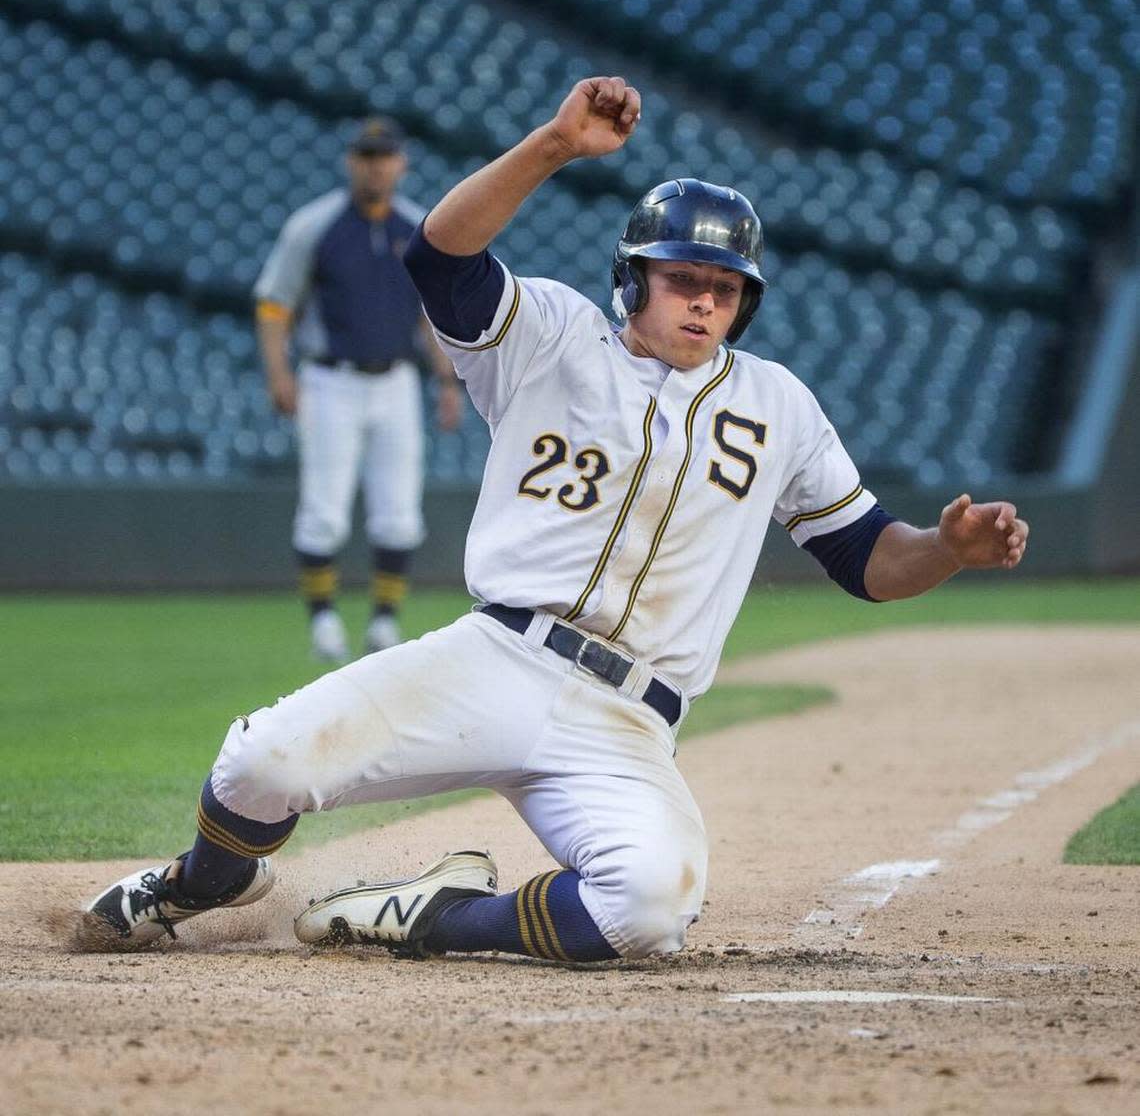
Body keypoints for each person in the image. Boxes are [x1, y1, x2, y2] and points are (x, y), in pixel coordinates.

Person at [82, 77, 1029, 963]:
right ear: (633, 279)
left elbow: (868, 560)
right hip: (494, 661)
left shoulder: (780, 406)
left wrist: (946, 549)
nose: (704, 297)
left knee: (652, 907)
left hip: (626, 722)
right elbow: (439, 254)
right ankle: (197, 886)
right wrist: (552, 146)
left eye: (726, 286)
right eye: (682, 275)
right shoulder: (549, 334)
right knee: (262, 761)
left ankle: (431, 915)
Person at [254, 116, 462, 662]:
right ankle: (323, 620)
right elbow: (275, 303)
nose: (376, 164)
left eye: (385, 155)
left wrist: (446, 381)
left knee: (398, 510)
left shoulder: (419, 227)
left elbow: (430, 316)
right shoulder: (315, 225)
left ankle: (384, 623)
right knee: (324, 510)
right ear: (351, 162)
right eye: (366, 155)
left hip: (396, 380)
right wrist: (279, 372)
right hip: (330, 379)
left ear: (402, 163)